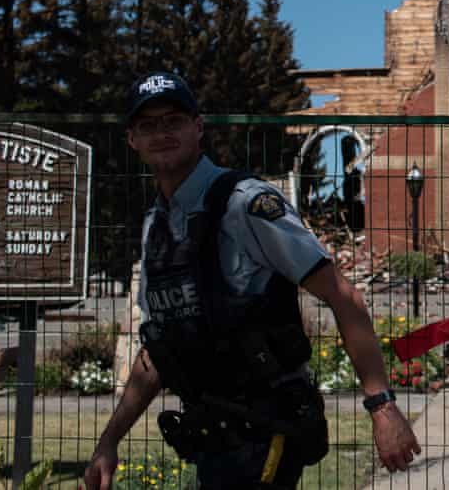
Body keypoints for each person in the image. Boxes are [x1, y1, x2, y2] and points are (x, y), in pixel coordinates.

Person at [84, 72, 420, 489]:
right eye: (148, 125)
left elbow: (343, 295)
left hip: (267, 432)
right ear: (132, 139)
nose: (162, 133)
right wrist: (109, 441)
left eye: (173, 120)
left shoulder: (244, 203)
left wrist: (382, 407)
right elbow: (158, 350)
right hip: (212, 438)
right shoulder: (157, 225)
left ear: (198, 127)